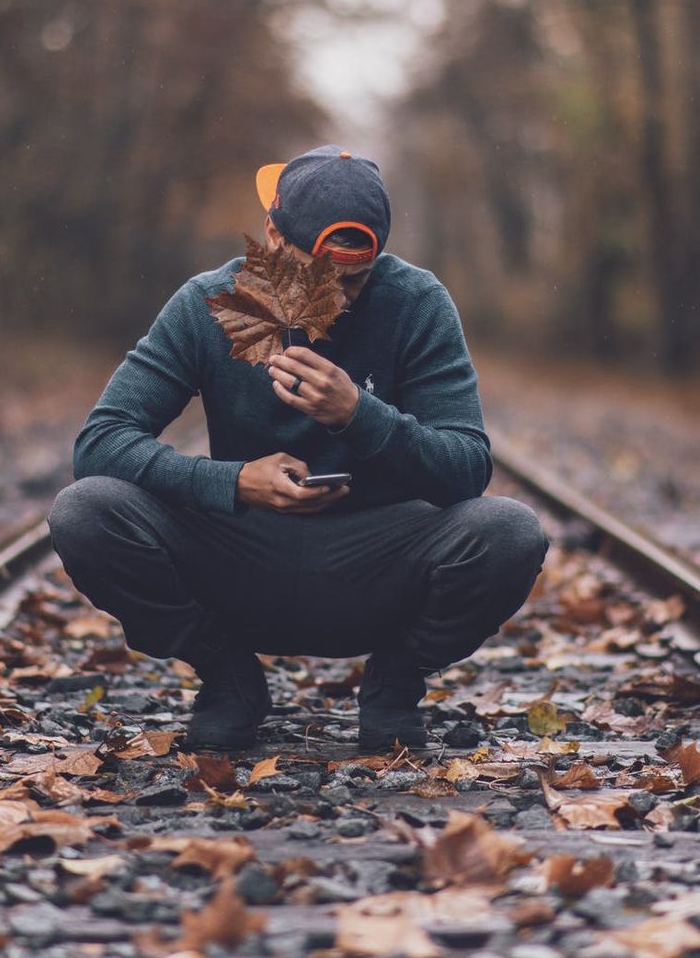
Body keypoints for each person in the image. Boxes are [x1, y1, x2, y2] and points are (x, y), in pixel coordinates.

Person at [47, 144, 550, 752]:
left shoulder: (416, 303)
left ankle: (393, 684)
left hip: (374, 563)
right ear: (271, 235)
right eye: (312, 279)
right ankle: (228, 678)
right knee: (85, 510)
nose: (334, 299)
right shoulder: (208, 302)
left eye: (354, 281)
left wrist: (360, 416)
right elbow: (101, 443)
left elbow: (467, 468)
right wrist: (233, 482)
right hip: (239, 558)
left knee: (510, 531)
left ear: (377, 257)